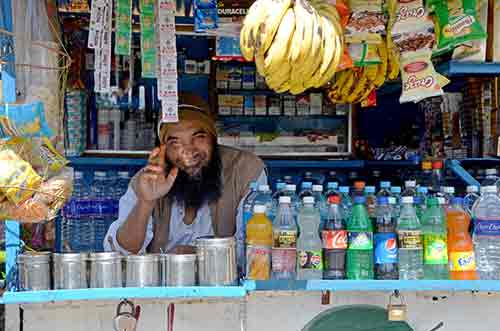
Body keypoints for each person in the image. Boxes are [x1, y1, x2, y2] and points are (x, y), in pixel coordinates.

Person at [104, 94, 267, 254]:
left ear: (213, 138)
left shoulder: (245, 170)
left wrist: (200, 256)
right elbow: (122, 252)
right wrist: (146, 202)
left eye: (198, 137)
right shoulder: (148, 180)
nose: (188, 152)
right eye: (174, 142)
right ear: (163, 148)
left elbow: (256, 249)